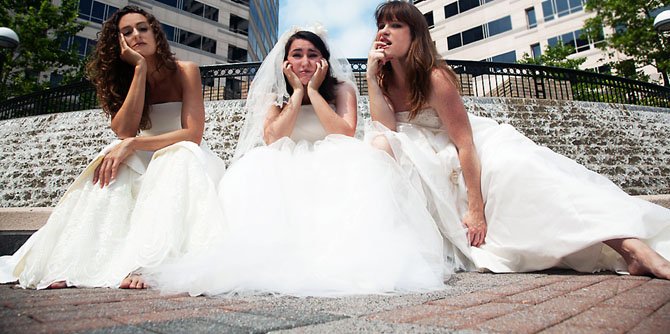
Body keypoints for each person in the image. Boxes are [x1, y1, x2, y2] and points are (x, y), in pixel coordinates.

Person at [366, 1, 670, 279]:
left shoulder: (435, 77)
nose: (385, 32)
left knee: (521, 170)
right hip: (422, 155)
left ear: (415, 33)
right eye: (381, 25)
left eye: (395, 25)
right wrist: (370, 77)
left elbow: (465, 143)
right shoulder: (383, 80)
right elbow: (386, 132)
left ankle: (633, 248)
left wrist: (476, 209)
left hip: (467, 149)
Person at [144, 25, 447, 297]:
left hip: (333, 159)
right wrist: (296, 94)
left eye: (312, 55)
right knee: (252, 175)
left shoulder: (342, 90)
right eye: (297, 54)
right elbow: (274, 138)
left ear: (323, 61)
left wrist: (313, 92)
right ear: (286, 61)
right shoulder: (275, 97)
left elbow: (343, 131)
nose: (305, 62)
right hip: (285, 161)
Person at [0, 6, 227, 289]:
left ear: (156, 33)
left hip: (183, 155)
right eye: (127, 32)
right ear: (119, 44)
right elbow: (123, 130)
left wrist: (132, 144)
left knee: (176, 157)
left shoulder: (186, 70)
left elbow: (191, 135)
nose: (136, 35)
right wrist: (139, 71)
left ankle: (150, 264)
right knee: (110, 158)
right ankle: (74, 262)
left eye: (143, 28)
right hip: (143, 154)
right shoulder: (126, 79)